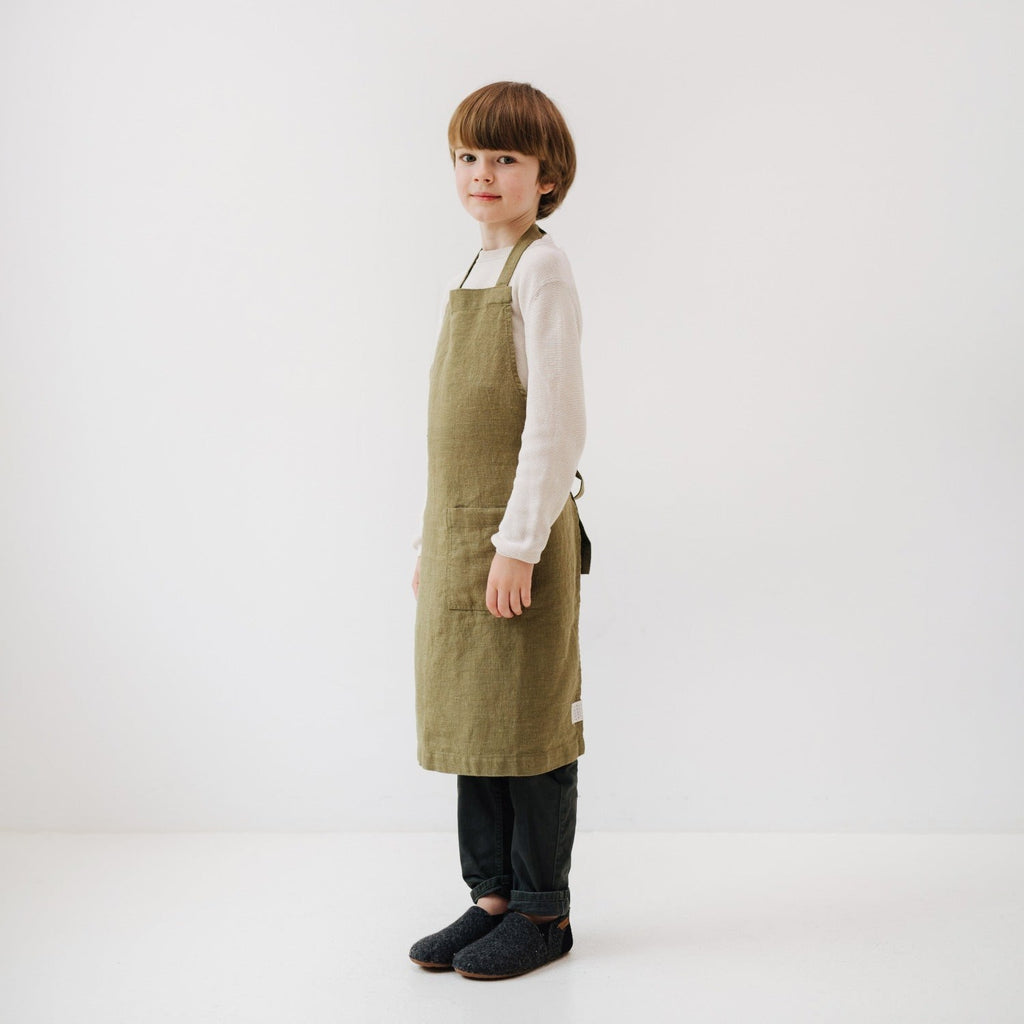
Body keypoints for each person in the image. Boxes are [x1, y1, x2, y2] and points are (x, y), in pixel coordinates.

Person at [408, 81, 588, 981]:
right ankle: (489, 899)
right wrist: (428, 546)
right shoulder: (474, 266)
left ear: (545, 177)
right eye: (469, 156)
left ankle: (544, 912)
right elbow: (457, 435)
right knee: (476, 727)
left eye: (506, 159)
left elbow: (556, 424)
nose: (483, 173)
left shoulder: (540, 268)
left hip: (515, 541)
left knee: (528, 733)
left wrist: (517, 544)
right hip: (459, 539)